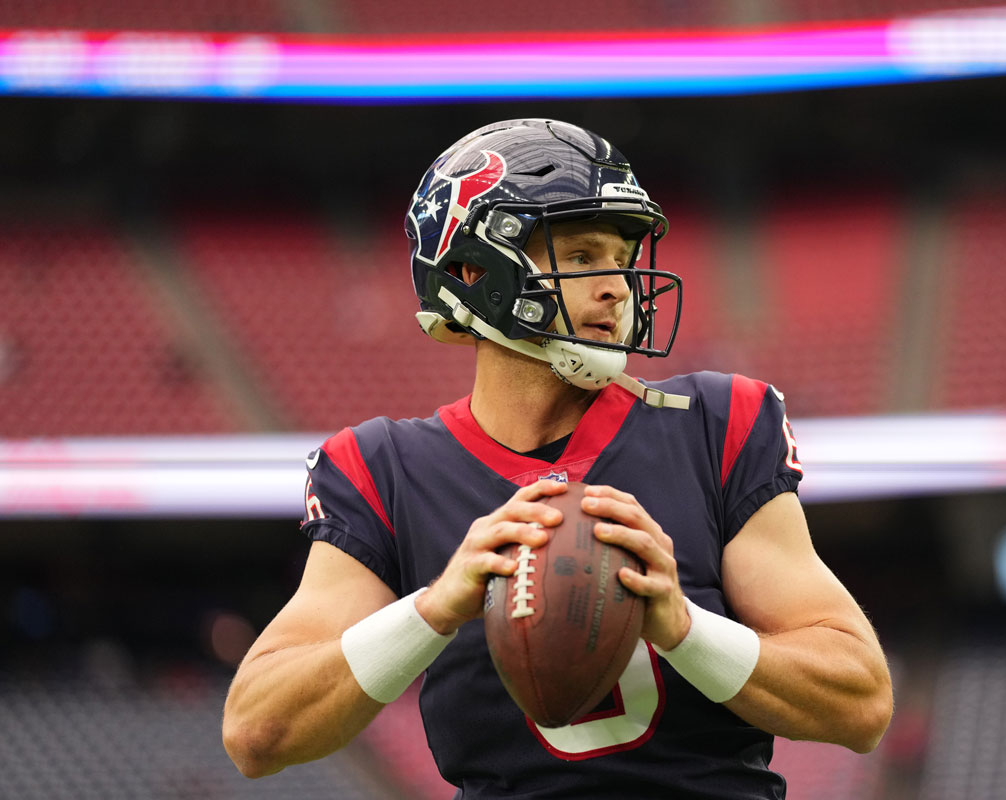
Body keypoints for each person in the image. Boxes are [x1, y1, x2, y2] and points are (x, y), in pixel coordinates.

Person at [222, 118, 893, 798]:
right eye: (581, 258)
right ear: (472, 271)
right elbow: (256, 733)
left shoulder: (718, 424)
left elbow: (860, 703)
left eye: (623, 260)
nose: (619, 288)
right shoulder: (385, 468)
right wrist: (436, 608)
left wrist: (684, 628)